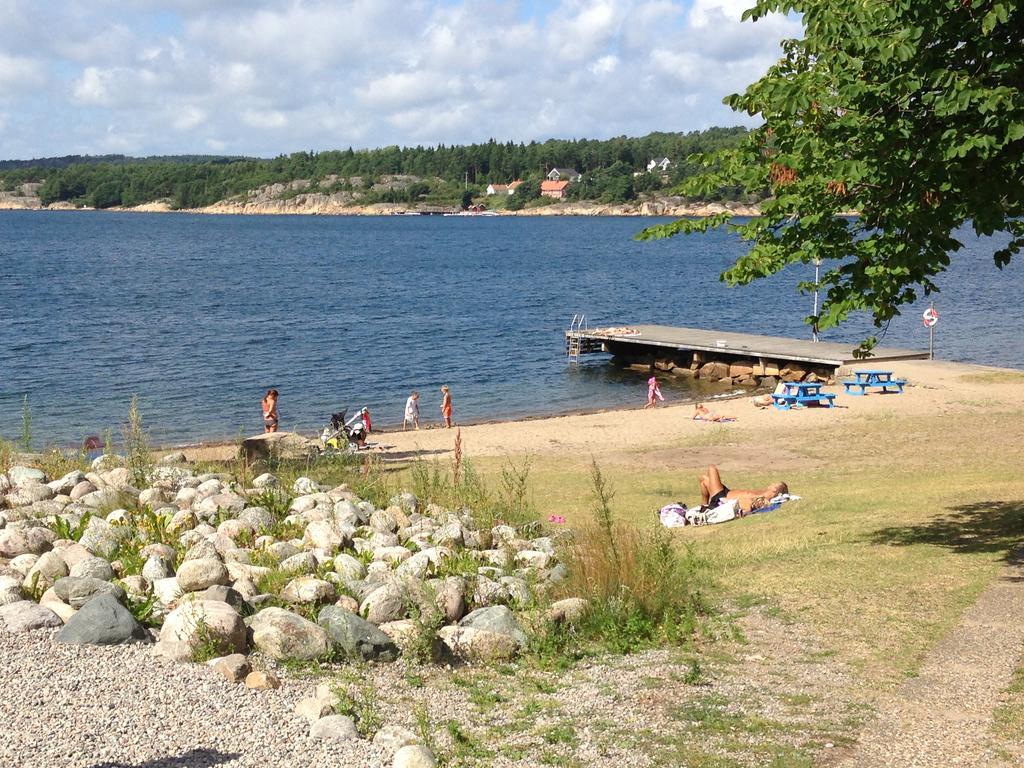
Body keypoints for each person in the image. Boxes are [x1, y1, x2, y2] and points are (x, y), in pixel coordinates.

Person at [699, 465, 788, 516]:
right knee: (703, 479)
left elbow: (748, 505)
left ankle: (705, 508)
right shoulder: (763, 492)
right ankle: (704, 506)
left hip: (722, 498)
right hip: (726, 492)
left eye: (774, 484)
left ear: (775, 490)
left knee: (712, 469)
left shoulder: (765, 498)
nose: (772, 484)